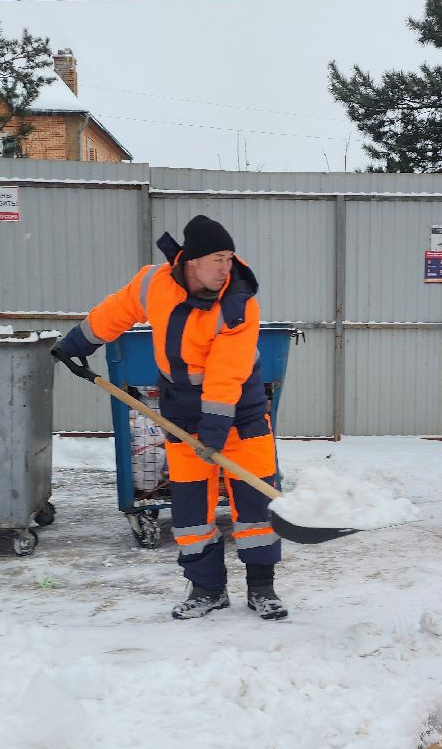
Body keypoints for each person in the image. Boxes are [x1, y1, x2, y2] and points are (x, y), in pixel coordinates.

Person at [51, 215, 287, 621]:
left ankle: (262, 588)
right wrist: (77, 342)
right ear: (191, 260)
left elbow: (227, 373)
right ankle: (207, 589)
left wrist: (214, 429)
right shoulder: (153, 283)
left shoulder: (239, 303)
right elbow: (116, 311)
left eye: (229, 258)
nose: (225, 268)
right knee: (192, 507)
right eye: (217, 258)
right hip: (182, 414)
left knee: (255, 504)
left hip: (243, 414)